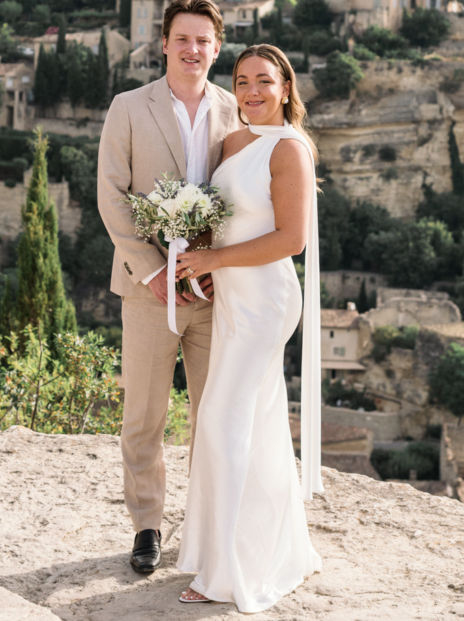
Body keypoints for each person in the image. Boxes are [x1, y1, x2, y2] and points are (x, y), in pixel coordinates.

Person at [172, 43, 322, 612]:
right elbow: (223, 221)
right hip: (232, 295)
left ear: (285, 86)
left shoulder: (290, 150)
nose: (251, 91)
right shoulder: (234, 142)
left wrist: (213, 263)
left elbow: (291, 239)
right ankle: (268, 548)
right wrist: (202, 258)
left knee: (218, 418)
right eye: (241, 81)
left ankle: (229, 573)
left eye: (264, 80)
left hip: (266, 299)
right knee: (253, 425)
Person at [97, 0, 242, 575]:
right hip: (145, 289)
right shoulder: (128, 107)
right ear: (163, 43)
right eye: (182, 38)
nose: (193, 49)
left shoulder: (238, 111)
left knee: (214, 416)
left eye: (203, 40)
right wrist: (153, 271)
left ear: (217, 46)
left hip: (213, 291)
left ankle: (206, 527)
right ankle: (147, 527)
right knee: (144, 417)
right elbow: (111, 195)